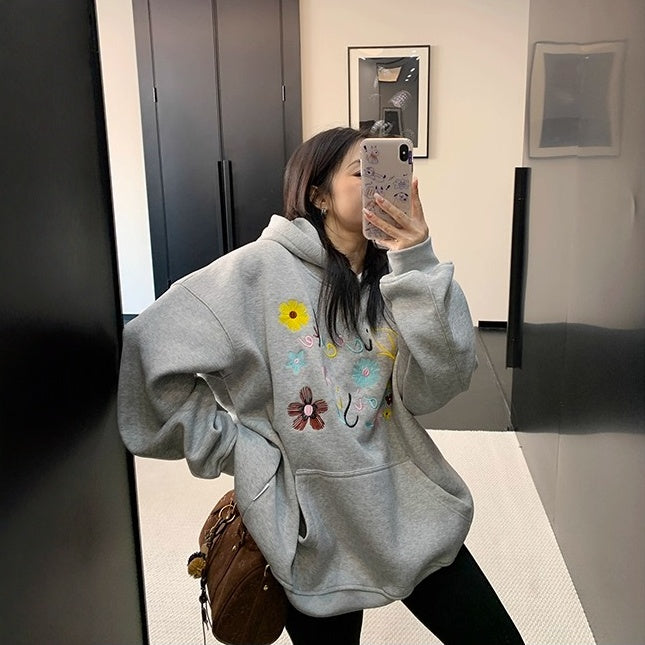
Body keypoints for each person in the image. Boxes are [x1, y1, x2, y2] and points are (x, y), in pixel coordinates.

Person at [118, 127, 525, 644]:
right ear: (318, 195)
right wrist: (235, 450)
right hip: (310, 526)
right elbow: (147, 348)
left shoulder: (397, 276)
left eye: (387, 172)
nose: (380, 185)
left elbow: (439, 383)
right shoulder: (256, 271)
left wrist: (418, 259)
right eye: (362, 172)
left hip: (406, 508)